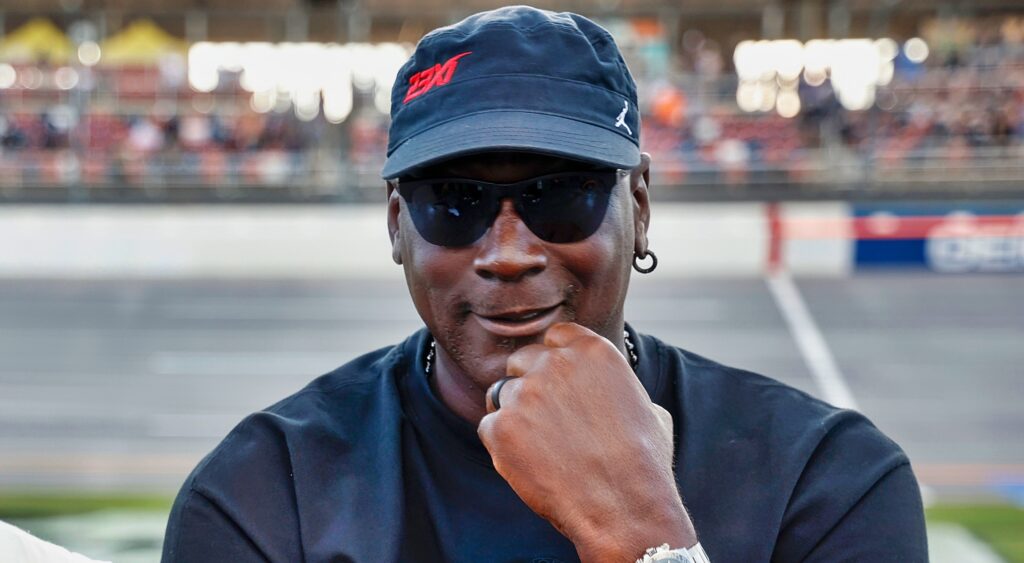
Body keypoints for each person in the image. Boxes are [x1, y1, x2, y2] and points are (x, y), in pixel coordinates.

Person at [162, 6, 928, 562]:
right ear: (397, 226)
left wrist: (643, 534)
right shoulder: (263, 495)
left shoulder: (827, 481)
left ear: (640, 208)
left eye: (560, 194)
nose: (507, 253)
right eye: (453, 202)